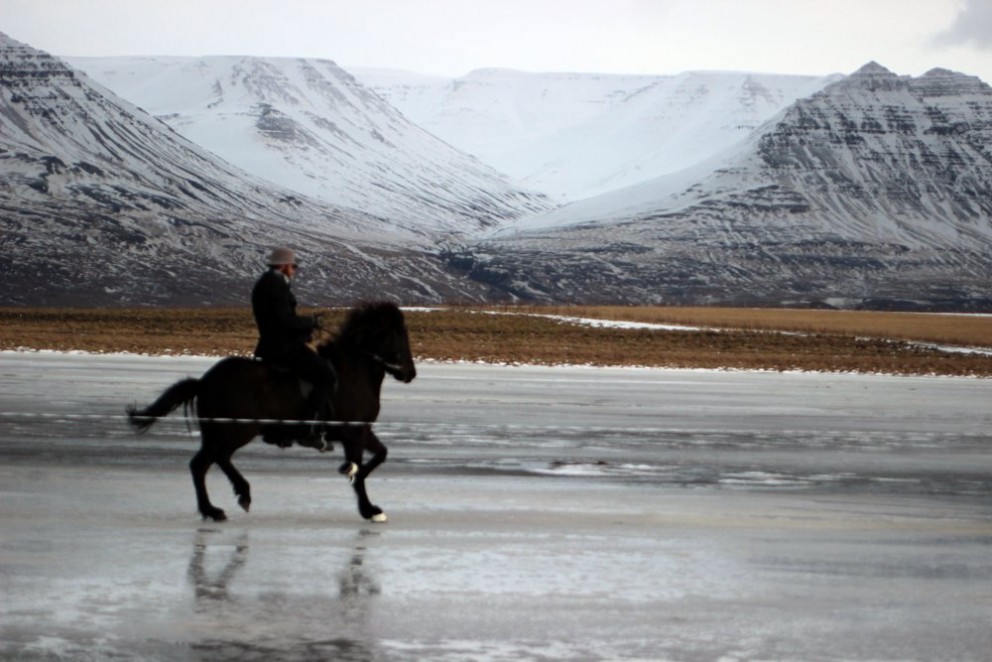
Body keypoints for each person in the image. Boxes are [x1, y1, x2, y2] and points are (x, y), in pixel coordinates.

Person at [251, 247, 336, 447]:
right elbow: (284, 320)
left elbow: (278, 320)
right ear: (283, 266)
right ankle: (307, 430)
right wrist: (310, 322)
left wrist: (303, 332)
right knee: (326, 376)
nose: (295, 270)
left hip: (275, 343)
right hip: (283, 348)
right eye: (293, 266)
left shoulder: (267, 282)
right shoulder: (276, 284)